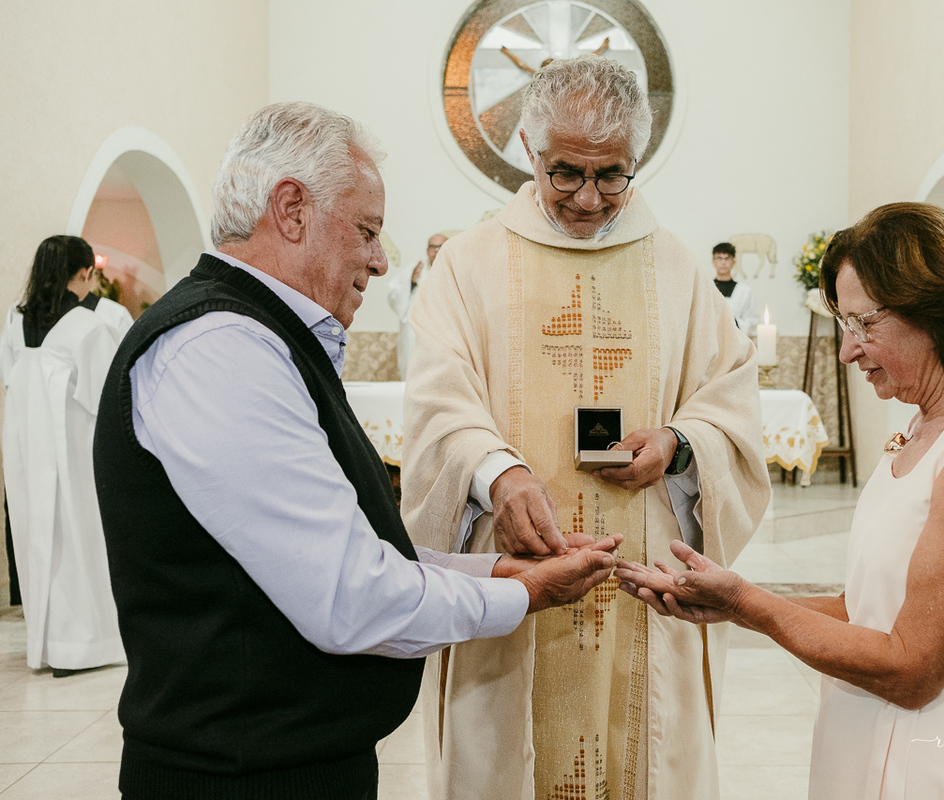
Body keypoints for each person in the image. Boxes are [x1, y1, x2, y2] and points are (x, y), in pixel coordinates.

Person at [92, 101, 621, 800]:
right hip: (237, 775)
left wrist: (498, 566)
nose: (378, 259)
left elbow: (358, 550)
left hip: (288, 761)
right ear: (291, 209)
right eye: (368, 231)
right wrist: (520, 595)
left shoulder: (266, 340)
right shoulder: (219, 350)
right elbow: (351, 596)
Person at [617, 202, 944, 799]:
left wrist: (750, 604)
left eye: (864, 324)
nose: (847, 351)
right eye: (845, 325)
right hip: (879, 736)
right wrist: (734, 605)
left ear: (934, 309)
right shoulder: (933, 425)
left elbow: (914, 667)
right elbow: (869, 610)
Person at [401, 56, 770, 800]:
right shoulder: (470, 266)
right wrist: (496, 475)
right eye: (565, 173)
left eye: (613, 176)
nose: (589, 198)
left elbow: (730, 395)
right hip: (518, 580)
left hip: (645, 585)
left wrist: (676, 443)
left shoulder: (675, 266)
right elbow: (438, 400)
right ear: (530, 154)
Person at [1, 234, 132, 675]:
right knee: (82, 534)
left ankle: (46, 640)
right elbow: (110, 393)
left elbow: (11, 379)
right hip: (75, 444)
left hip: (24, 444)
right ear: (83, 273)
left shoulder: (16, 322)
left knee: (38, 535)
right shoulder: (91, 323)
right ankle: (86, 643)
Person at [386, 232, 446, 378]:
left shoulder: (458, 271)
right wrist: (411, 283)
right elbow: (394, 295)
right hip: (416, 332)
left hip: (445, 333)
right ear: (427, 251)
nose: (437, 250)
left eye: (441, 246)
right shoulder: (414, 270)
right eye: (433, 247)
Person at [711, 241, 759, 331]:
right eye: (719, 258)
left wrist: (734, 322)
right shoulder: (707, 288)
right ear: (713, 262)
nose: (723, 262)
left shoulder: (744, 291)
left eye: (727, 258)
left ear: (733, 262)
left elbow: (752, 320)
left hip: (735, 339)